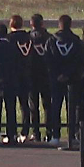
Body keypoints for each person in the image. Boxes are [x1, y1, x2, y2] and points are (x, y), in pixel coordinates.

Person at [46, 14, 84, 146]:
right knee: (72, 108)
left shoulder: (51, 41)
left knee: (55, 106)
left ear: (59, 25)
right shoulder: (77, 42)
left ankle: (55, 135)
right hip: (73, 79)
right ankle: (72, 135)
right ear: (71, 25)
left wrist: (57, 74)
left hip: (56, 80)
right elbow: (80, 61)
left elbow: (48, 60)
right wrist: (68, 74)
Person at [0, 22, 24, 145]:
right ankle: (11, 135)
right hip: (10, 82)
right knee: (11, 111)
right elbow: (18, 65)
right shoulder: (13, 48)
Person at [7, 15, 35, 143]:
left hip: (12, 76)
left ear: (11, 24)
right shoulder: (29, 38)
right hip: (27, 74)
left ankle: (11, 132)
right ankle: (25, 131)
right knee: (25, 105)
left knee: (11, 106)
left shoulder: (9, 39)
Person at [27, 14, 53, 143]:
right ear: (42, 23)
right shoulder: (49, 37)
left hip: (32, 76)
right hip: (46, 76)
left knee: (33, 106)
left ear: (31, 24)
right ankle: (49, 132)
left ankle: (36, 133)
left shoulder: (28, 38)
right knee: (48, 106)